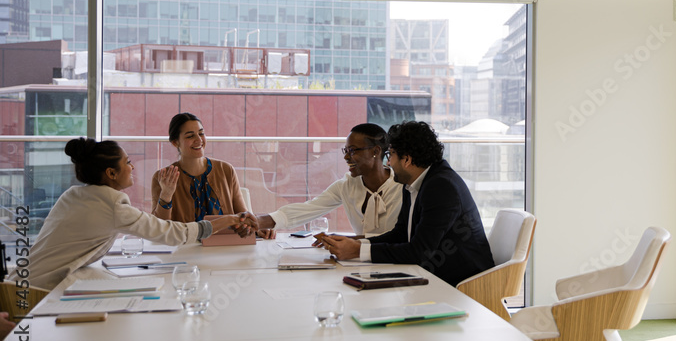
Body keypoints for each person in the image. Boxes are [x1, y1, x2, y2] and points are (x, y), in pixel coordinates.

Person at [28, 138, 252, 291]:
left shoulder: (73, 195)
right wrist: (223, 221)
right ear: (111, 173)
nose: (132, 167)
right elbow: (169, 232)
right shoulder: (113, 203)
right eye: (127, 162)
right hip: (39, 292)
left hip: (19, 283)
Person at [315, 121, 494, 286]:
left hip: (463, 284)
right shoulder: (413, 183)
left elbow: (419, 252)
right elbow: (400, 234)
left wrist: (357, 252)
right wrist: (356, 243)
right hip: (431, 274)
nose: (388, 163)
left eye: (391, 155)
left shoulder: (441, 186)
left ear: (407, 160)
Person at [252, 123, 403, 239]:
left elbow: (402, 238)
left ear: (376, 151)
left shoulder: (403, 187)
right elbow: (308, 209)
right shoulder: (346, 186)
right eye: (345, 151)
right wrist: (257, 221)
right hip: (359, 264)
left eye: (352, 150)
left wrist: (350, 241)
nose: (345, 157)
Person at [151, 113, 248, 225]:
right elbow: (157, 228)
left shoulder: (226, 170)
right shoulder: (163, 177)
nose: (199, 140)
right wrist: (166, 195)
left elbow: (243, 216)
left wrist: (257, 228)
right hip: (186, 242)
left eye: (201, 133)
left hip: (224, 241)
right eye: (190, 136)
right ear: (175, 142)